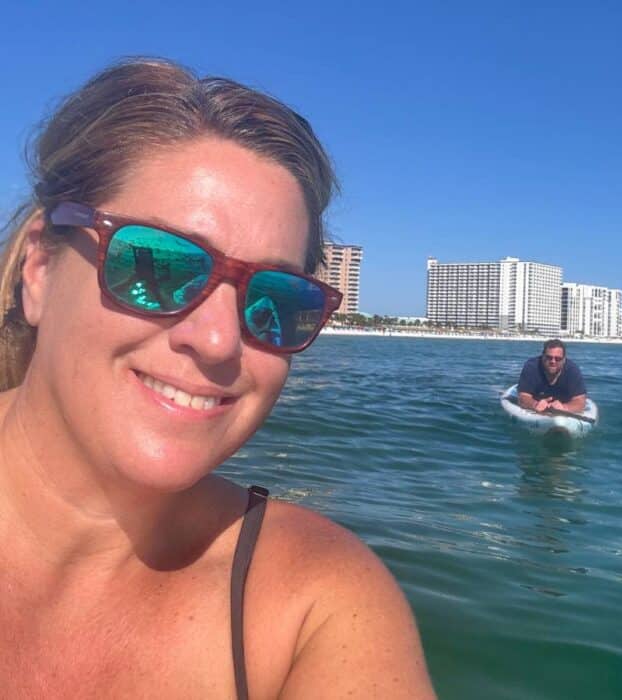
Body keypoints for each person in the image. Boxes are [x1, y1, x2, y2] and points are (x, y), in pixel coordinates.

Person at [0, 58, 435, 699]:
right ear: (39, 268)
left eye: (277, 301)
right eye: (159, 267)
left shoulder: (314, 606)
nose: (218, 340)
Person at [517, 339, 587, 414]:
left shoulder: (572, 370)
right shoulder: (531, 367)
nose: (553, 361)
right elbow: (523, 397)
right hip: (538, 401)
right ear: (542, 356)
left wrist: (565, 408)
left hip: (562, 403)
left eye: (558, 359)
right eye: (549, 357)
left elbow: (580, 401)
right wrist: (535, 404)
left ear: (564, 360)